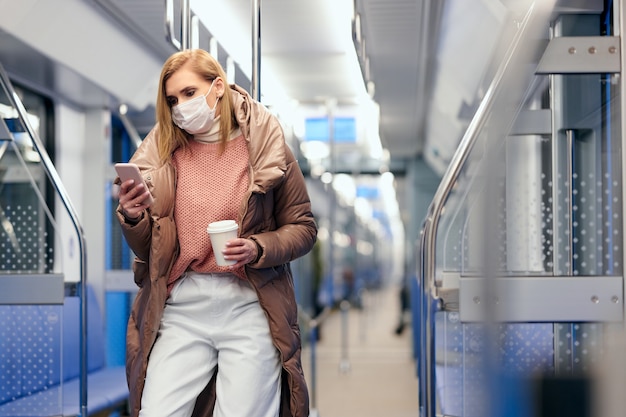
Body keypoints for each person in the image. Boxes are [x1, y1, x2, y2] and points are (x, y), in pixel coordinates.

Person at [115, 49, 317, 417]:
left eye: (190, 93)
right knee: (157, 411)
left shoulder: (267, 148)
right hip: (182, 304)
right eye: (172, 100)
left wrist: (257, 248)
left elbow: (303, 229)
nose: (180, 107)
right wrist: (133, 217)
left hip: (249, 303)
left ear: (218, 87)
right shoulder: (163, 155)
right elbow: (150, 249)